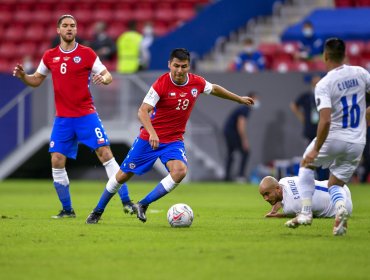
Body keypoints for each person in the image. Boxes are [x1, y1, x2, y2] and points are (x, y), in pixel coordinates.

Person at [85, 48, 255, 224]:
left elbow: (214, 89)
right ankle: (97, 211)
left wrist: (238, 99)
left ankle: (143, 204)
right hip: (148, 139)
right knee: (122, 176)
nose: (180, 71)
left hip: (173, 141)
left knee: (180, 171)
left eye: (184, 66)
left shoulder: (196, 82)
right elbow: (143, 112)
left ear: (189, 66)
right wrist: (152, 133)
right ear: (169, 65)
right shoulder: (162, 83)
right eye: (176, 66)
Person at [13, 14, 133, 219]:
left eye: (73, 26)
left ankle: (126, 201)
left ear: (76, 30)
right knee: (57, 160)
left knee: (105, 153)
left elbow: (107, 74)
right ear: (58, 30)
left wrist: (103, 79)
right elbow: (36, 80)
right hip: (63, 119)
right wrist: (24, 76)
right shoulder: (49, 56)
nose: (69, 29)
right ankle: (67, 210)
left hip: (86, 115)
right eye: (65, 26)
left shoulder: (86, 53)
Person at [285, 38, 370, 236]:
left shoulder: (324, 84)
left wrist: (316, 148)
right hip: (357, 141)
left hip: (335, 136)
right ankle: (340, 209)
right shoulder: (361, 73)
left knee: (306, 164)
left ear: (325, 56)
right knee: (335, 184)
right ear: (345, 54)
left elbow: (325, 120)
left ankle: (305, 213)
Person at [290, 74, 329, 180]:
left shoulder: (326, 95)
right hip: (310, 131)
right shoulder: (306, 96)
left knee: (325, 155)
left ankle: (323, 179)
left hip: (323, 130)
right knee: (309, 155)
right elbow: (294, 105)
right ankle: (311, 179)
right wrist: (303, 118)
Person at [259, 176, 352, 218]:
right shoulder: (285, 180)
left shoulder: (291, 207)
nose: (265, 199)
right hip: (339, 188)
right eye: (263, 195)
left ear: (277, 188)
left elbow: (301, 216)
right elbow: (281, 197)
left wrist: (276, 216)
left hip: (342, 207)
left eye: (267, 194)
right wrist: (273, 210)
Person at [223, 92, 259, 182]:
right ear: (250, 99)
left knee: (231, 154)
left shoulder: (243, 108)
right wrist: (244, 141)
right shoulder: (245, 109)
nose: (257, 102)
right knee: (245, 152)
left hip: (229, 132)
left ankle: (227, 177)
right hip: (232, 133)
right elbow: (241, 125)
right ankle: (240, 176)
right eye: (255, 99)